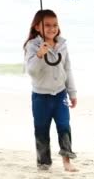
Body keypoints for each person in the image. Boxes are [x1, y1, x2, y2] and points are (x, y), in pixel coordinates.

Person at [24, 9, 78, 172]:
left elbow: (67, 69)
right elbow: (32, 72)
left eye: (55, 25)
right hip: (40, 97)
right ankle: (43, 162)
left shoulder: (62, 44)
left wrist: (72, 92)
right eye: (47, 25)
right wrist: (40, 54)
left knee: (64, 126)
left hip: (60, 94)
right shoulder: (32, 46)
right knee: (41, 128)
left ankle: (67, 160)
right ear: (37, 27)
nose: (51, 28)